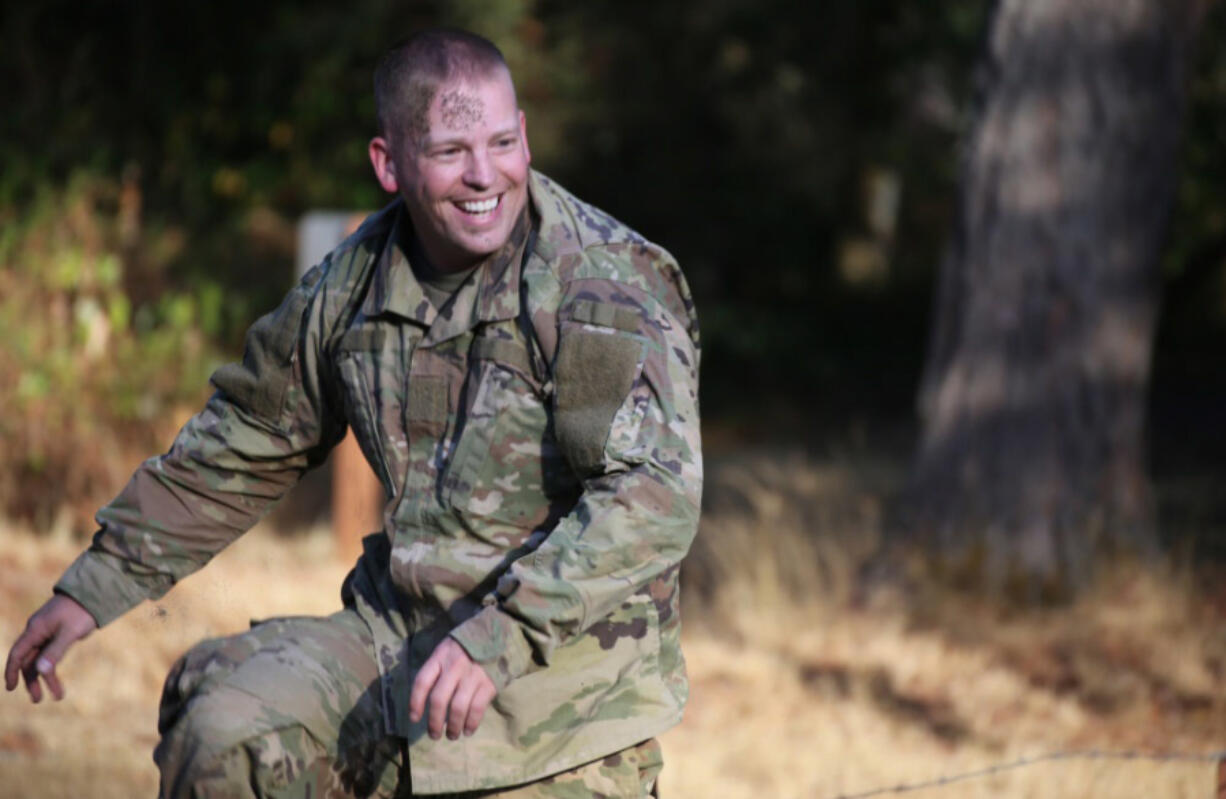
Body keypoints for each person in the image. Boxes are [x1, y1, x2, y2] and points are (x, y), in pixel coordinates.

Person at [4, 27, 702, 799]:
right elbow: (248, 437)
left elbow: (652, 501)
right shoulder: (353, 283)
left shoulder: (602, 284)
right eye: (449, 151)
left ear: (525, 136)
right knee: (226, 738)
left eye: (502, 141)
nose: (484, 175)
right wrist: (94, 585)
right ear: (388, 163)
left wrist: (499, 638)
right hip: (394, 645)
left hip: (561, 694)